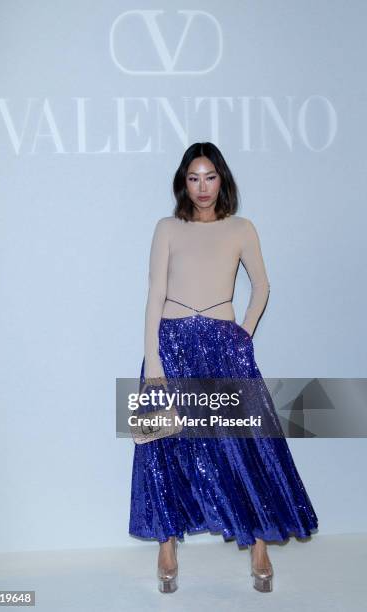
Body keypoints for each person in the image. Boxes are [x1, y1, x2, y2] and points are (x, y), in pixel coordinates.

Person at [128, 142, 318, 593]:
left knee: (246, 446)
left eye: (209, 177)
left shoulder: (242, 228)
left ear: (222, 179)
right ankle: (167, 543)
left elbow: (262, 285)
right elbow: (155, 291)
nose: (202, 187)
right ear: (183, 183)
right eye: (193, 178)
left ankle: (259, 543)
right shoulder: (167, 227)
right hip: (170, 346)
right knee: (162, 449)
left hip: (222, 346)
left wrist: (244, 335)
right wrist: (152, 358)